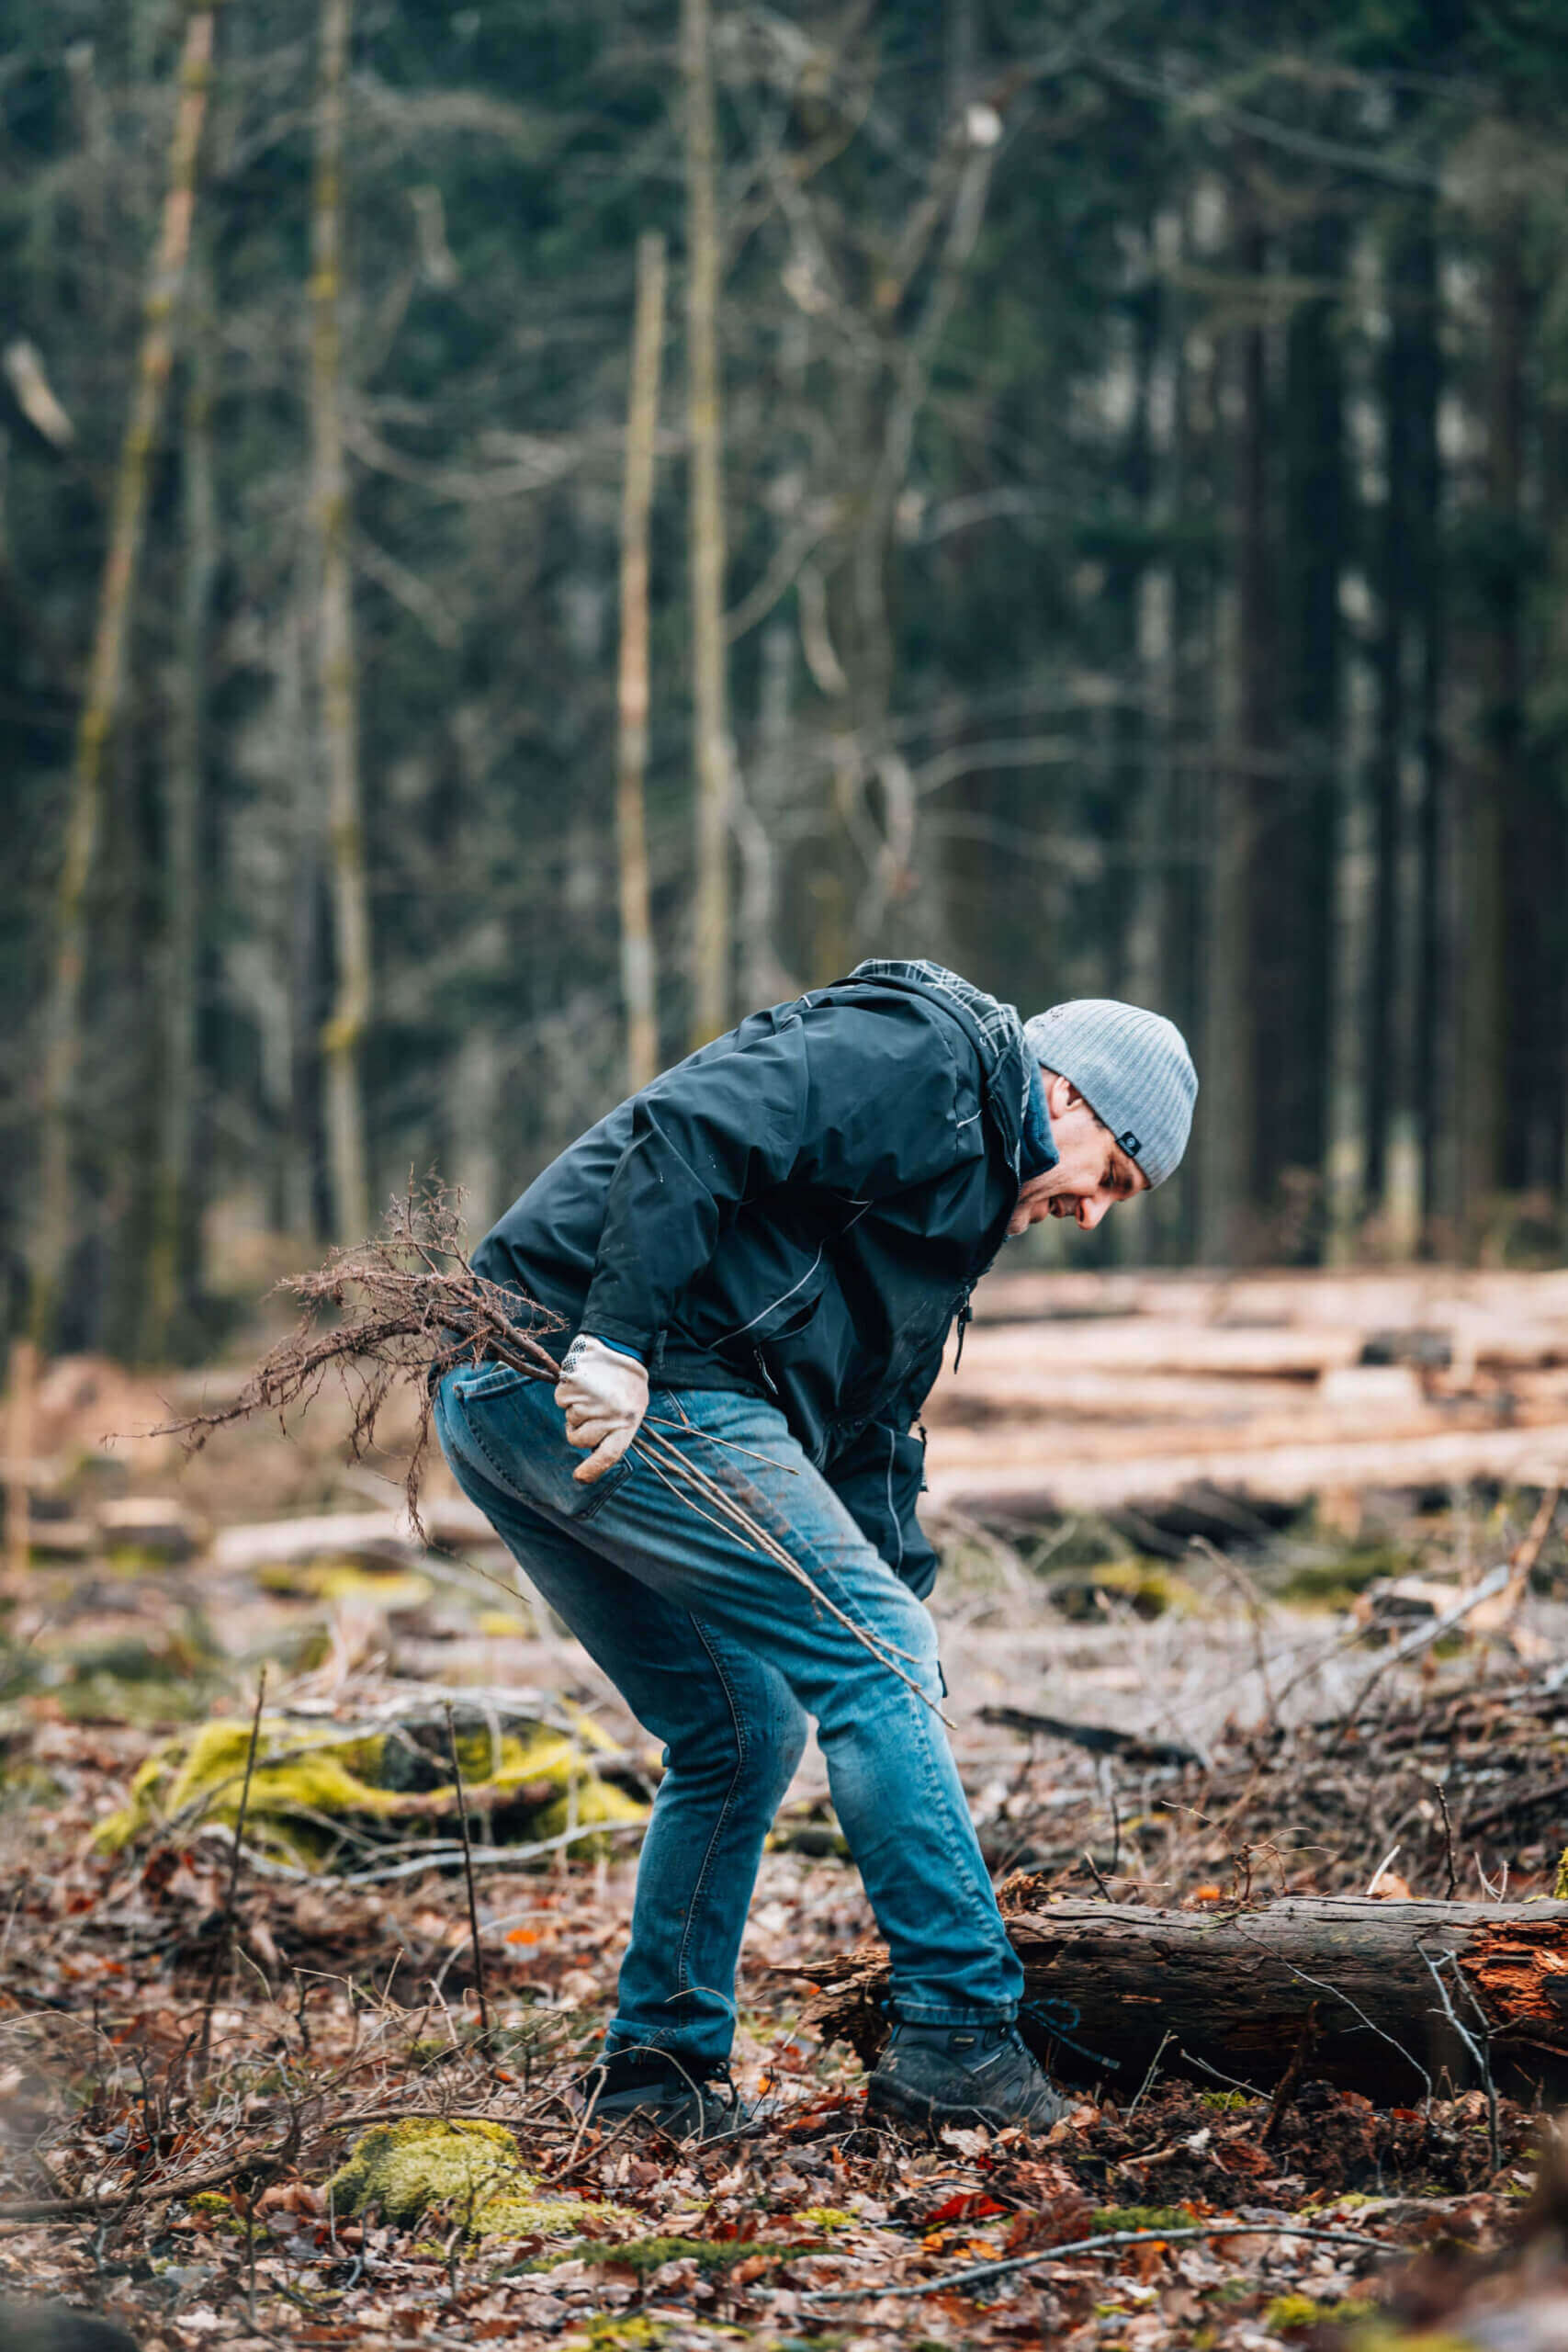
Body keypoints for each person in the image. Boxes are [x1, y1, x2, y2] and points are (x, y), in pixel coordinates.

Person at [434, 959, 1196, 2136]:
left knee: (746, 1724)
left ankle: (657, 2080)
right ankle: (961, 2037)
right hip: (580, 1368)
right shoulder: (929, 1053)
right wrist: (617, 1341)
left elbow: (867, 1432)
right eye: (1115, 1178)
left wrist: (905, 1607)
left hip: (518, 1397)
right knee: (863, 1657)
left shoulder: (955, 1209)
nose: (1093, 1213)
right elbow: (695, 1126)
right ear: (1071, 1100)